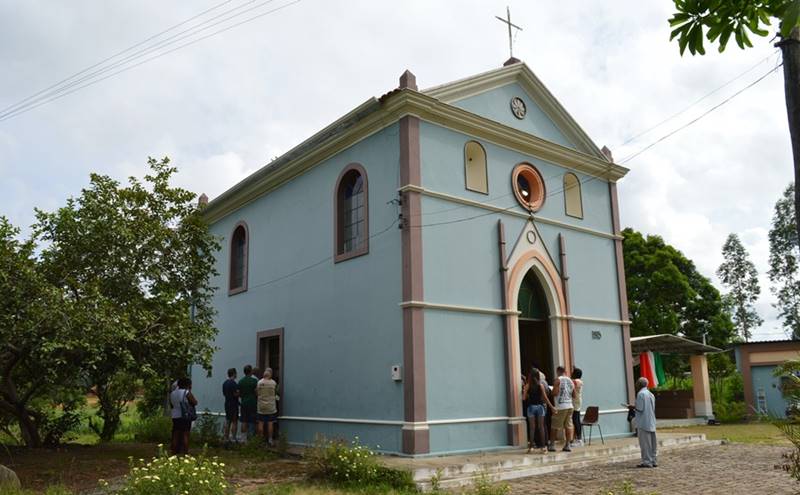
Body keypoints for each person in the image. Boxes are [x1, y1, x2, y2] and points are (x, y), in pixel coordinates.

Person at [523, 367, 555, 454]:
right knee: (541, 428)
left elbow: (524, 397)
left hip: (531, 407)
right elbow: (545, 398)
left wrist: (527, 394)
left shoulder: (527, 385)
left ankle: (531, 447)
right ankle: (544, 447)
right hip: (540, 407)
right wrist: (552, 407)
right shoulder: (540, 385)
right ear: (538, 376)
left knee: (532, 428)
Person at [628, 377, 657, 468]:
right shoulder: (651, 394)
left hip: (643, 422)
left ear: (639, 384)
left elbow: (640, 408)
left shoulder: (640, 394)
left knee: (645, 444)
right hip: (651, 421)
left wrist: (631, 407)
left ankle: (647, 461)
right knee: (653, 443)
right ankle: (654, 460)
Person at [549, 365, 576, 452]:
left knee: (554, 426)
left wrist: (551, 390)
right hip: (570, 406)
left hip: (561, 406)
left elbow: (555, 393)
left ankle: (552, 445)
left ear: (558, 371)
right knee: (568, 426)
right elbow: (574, 395)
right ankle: (567, 445)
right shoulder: (571, 381)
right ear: (565, 371)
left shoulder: (558, 380)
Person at [170, 377, 197, 455]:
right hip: (184, 416)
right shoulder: (186, 392)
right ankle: (185, 452)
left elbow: (171, 404)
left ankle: (174, 452)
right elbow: (194, 402)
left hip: (175, 415)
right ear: (187, 385)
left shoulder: (172, 393)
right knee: (185, 434)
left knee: (176, 434)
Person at [256, 368, 279, 446]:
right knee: (270, 423)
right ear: (270, 375)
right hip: (271, 407)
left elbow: (257, 393)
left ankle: (260, 440)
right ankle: (270, 440)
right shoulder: (273, 383)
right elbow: (276, 393)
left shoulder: (259, 383)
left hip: (261, 406)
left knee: (260, 423)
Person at [238, 364, 258, 441]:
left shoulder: (240, 381)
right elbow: (256, 393)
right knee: (252, 421)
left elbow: (239, 394)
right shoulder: (254, 381)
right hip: (252, 403)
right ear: (251, 372)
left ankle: (243, 439)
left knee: (244, 420)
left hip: (243, 403)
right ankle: (251, 439)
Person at [222, 368, 240, 445]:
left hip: (227, 403)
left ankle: (226, 437)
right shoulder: (234, 383)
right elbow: (235, 394)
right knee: (234, 421)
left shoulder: (224, 383)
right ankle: (233, 437)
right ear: (234, 374)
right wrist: (239, 393)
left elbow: (224, 394)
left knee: (228, 420)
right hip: (233, 404)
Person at [571, 367, 584, 447]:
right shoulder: (576, 381)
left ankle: (579, 439)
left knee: (576, 420)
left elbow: (573, 384)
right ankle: (577, 438)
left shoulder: (577, 381)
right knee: (576, 419)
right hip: (576, 401)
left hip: (576, 401)